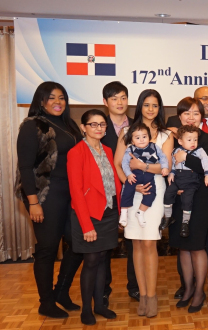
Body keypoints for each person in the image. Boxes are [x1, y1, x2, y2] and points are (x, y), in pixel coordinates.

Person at [15, 82, 83, 318]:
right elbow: (24, 167)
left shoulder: (69, 125)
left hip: (71, 195)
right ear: (41, 101)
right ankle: (46, 302)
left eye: (62, 97)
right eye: (52, 97)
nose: (58, 102)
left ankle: (61, 292)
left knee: (77, 245)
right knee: (47, 250)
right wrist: (33, 202)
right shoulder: (33, 125)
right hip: (46, 195)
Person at [166, 86, 208, 298]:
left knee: (199, 244)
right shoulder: (174, 138)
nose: (191, 117)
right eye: (187, 113)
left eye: (196, 113)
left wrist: (186, 159)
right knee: (182, 245)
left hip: (203, 200)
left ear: (201, 116)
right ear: (179, 116)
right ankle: (187, 286)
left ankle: (200, 289)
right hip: (179, 198)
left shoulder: (206, 140)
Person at [113, 89, 172, 317]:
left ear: (160, 108)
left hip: (154, 192)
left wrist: (143, 167)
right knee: (136, 244)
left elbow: (164, 167)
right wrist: (130, 182)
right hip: (133, 191)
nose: (150, 109)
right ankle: (142, 293)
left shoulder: (166, 135)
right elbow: (119, 164)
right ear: (139, 107)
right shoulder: (127, 132)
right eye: (146, 104)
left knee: (149, 243)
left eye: (155, 105)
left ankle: (152, 295)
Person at [68, 109, 122, 325]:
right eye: (93, 124)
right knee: (90, 261)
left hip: (108, 213)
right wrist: (86, 225)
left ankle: (100, 305)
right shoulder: (76, 152)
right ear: (83, 127)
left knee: (102, 260)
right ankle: (86, 310)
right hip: (88, 216)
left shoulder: (109, 150)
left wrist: (120, 212)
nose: (99, 128)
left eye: (102, 124)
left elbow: (116, 183)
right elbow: (76, 192)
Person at [100, 81, 138, 304]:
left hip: (133, 191)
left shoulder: (137, 126)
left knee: (133, 241)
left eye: (123, 97)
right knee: (106, 242)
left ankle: (134, 286)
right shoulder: (97, 125)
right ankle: (103, 287)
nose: (120, 102)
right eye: (114, 98)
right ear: (105, 102)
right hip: (105, 192)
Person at [164, 125, 208, 237]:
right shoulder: (176, 150)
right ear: (180, 141)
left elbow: (207, 162)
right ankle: (168, 217)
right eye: (189, 140)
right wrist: (171, 173)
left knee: (187, 201)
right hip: (178, 178)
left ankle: (185, 223)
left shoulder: (199, 151)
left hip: (191, 180)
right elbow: (173, 164)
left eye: (195, 140)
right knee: (168, 194)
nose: (193, 142)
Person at [119, 123, 170, 227]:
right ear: (132, 140)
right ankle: (124, 212)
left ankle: (140, 212)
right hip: (134, 175)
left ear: (149, 137)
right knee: (127, 190)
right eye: (137, 138)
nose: (141, 140)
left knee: (151, 193)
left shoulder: (154, 147)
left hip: (149, 175)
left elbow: (163, 158)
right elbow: (124, 163)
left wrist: (164, 167)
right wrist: (128, 174)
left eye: (144, 136)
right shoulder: (130, 149)